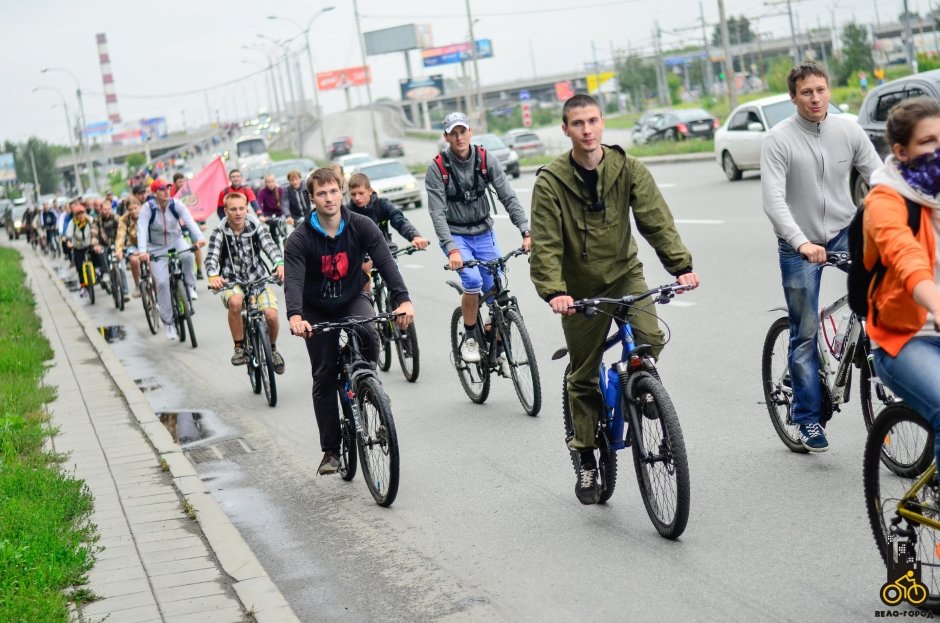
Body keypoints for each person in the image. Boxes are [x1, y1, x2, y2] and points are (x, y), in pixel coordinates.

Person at [530, 93, 699, 505]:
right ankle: (587, 456)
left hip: (625, 273)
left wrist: (680, 266)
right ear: (566, 130)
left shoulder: (627, 168)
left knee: (650, 338)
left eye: (592, 121)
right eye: (577, 123)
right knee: (583, 374)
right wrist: (556, 292)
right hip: (579, 288)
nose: (586, 130)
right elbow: (546, 245)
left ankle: (640, 390)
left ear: (602, 123)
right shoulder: (550, 182)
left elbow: (655, 220)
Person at [761, 61, 881, 452]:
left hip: (846, 231)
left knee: (883, 295)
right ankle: (807, 416)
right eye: (806, 92)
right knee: (806, 329)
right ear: (794, 97)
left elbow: (878, 176)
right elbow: (774, 201)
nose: (815, 98)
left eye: (821, 90)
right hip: (799, 240)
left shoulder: (848, 129)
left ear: (830, 91)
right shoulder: (779, 139)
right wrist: (800, 242)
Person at [284, 168, 415, 475]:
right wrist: (295, 315)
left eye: (333, 191)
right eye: (321, 193)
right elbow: (292, 279)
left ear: (340, 192)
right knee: (324, 373)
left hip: (352, 297)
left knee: (369, 331)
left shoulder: (361, 225)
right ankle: (331, 450)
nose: (329, 198)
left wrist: (403, 299)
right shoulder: (300, 239)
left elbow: (385, 262)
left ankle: (371, 387)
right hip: (315, 310)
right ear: (311, 198)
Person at [863, 97, 940, 470]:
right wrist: (937, 305)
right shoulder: (886, 201)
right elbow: (905, 257)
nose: (938, 149)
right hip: (907, 340)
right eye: (928, 142)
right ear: (901, 151)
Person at [426, 111, 531, 364]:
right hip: (456, 234)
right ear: (446, 137)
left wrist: (526, 231)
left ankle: (493, 340)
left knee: (495, 286)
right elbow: (437, 214)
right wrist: (452, 250)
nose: (459, 137)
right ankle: (471, 336)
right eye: (453, 133)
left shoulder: (486, 159)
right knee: (472, 280)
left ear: (470, 132)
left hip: (484, 231)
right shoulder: (437, 168)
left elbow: (508, 196)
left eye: (463, 131)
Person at [206, 192, 286, 372]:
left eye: (241, 208)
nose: (238, 212)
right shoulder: (219, 232)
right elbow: (211, 257)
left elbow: (270, 247)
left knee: (271, 315)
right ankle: (239, 347)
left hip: (258, 280)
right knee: (235, 302)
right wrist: (213, 276)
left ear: (246, 209)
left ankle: (272, 349)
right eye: (233, 209)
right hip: (231, 282)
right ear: (225, 211)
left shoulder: (256, 227)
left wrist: (279, 264)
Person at [138, 179, 206, 340]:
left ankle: (190, 286)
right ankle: (168, 324)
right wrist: (142, 251)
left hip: (177, 241)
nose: (167, 191)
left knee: (188, 255)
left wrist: (200, 238)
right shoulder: (147, 209)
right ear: (155, 193)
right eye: (162, 189)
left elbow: (190, 221)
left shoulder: (176, 204)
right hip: (156, 248)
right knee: (161, 283)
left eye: (168, 188)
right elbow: (141, 230)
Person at [348, 172, 428, 253]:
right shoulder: (346, 211)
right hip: (359, 256)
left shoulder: (382, 204)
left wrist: (415, 236)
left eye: (361, 193)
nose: (357, 198)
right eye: (353, 194)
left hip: (386, 251)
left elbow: (399, 220)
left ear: (370, 191)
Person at [90, 199, 121, 295]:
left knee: (120, 266)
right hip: (103, 244)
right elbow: (94, 233)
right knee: (102, 254)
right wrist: (96, 244)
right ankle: (106, 273)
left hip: (116, 243)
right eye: (104, 209)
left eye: (108, 209)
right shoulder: (97, 220)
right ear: (101, 210)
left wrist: (122, 244)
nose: (106, 211)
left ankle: (123, 291)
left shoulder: (116, 218)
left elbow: (122, 230)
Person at [64, 204, 95, 296]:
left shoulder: (90, 220)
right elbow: (68, 234)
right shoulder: (72, 223)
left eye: (82, 213)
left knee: (96, 258)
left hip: (89, 245)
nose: (81, 216)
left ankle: (98, 272)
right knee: (79, 267)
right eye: (78, 214)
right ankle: (83, 286)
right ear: (76, 215)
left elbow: (96, 228)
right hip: (78, 247)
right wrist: (69, 242)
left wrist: (96, 239)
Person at [116, 198, 142, 297]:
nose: (133, 211)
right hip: (134, 244)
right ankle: (138, 286)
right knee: (133, 260)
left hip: (150, 244)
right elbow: (120, 235)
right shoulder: (124, 219)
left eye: (135, 208)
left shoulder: (146, 214)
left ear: (140, 206)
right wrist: (119, 249)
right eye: (130, 209)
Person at [256, 173, 292, 244]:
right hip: (268, 216)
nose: (271, 184)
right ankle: (275, 243)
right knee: (273, 230)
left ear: (275, 181)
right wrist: (260, 215)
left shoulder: (280, 190)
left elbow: (285, 203)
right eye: (268, 182)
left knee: (285, 235)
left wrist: (288, 215)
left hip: (280, 214)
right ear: (265, 183)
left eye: (272, 181)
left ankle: (286, 244)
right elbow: (259, 205)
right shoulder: (262, 192)